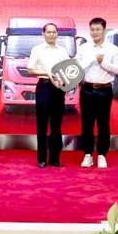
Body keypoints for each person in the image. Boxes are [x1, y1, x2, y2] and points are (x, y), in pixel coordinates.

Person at [76, 17, 118, 168]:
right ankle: (87, 154)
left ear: (104, 30)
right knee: (86, 123)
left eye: (98, 29)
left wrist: (103, 62)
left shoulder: (113, 49)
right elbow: (76, 67)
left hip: (104, 90)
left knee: (103, 123)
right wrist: (90, 60)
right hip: (87, 89)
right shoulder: (84, 48)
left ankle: (102, 155)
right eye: (92, 29)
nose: (95, 32)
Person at [27, 22, 70, 168]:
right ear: (43, 34)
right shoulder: (37, 49)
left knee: (57, 125)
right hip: (44, 87)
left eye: (54, 32)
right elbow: (31, 70)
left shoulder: (62, 51)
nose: (52, 34)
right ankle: (42, 159)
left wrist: (64, 82)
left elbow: (68, 69)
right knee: (42, 124)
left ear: (57, 34)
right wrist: (48, 73)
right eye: (49, 32)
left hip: (59, 88)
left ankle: (55, 158)